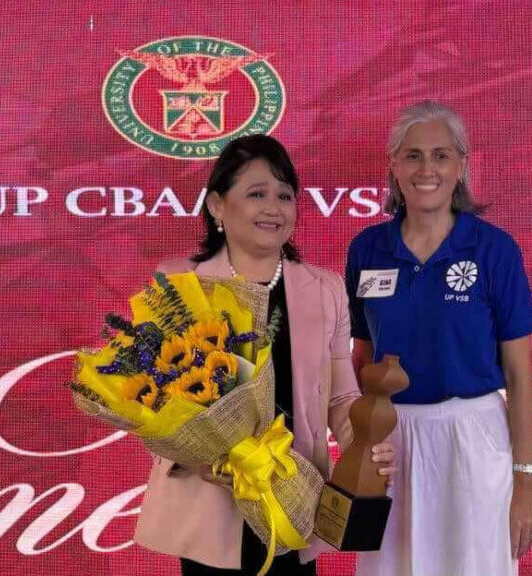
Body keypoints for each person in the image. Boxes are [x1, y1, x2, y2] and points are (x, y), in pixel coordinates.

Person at [134, 134, 396, 576]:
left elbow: (341, 400)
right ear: (217, 205)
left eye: (284, 195)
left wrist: (366, 447)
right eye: (256, 193)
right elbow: (151, 401)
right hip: (210, 507)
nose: (273, 207)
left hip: (296, 503)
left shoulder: (327, 289)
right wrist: (200, 457)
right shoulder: (179, 283)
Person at [347, 101, 532, 576]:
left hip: (472, 436)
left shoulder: (495, 249)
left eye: (440, 155)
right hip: (390, 443)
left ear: (461, 166)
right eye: (412, 156)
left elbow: (519, 376)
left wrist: (526, 482)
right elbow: (360, 358)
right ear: (393, 166)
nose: (426, 168)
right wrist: (360, 445)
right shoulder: (367, 248)